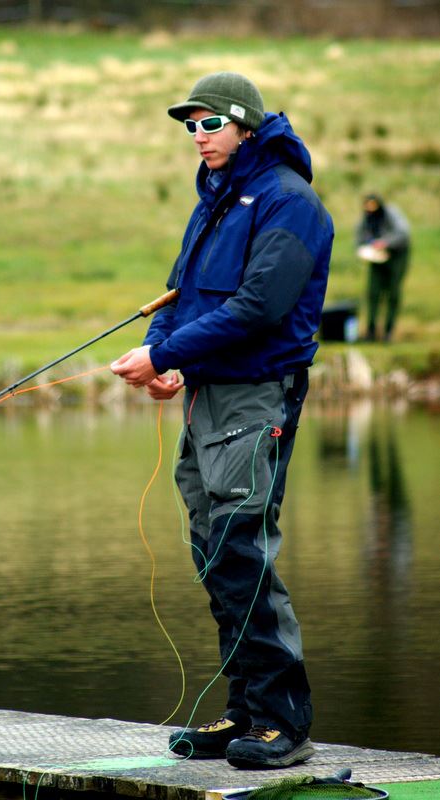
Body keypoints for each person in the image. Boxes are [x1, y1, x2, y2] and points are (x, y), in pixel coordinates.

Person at [111, 72, 333, 769]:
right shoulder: (215, 199)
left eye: (210, 124)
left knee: (242, 550)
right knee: (214, 554)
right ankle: (245, 710)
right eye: (190, 126)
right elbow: (186, 292)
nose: (198, 136)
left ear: (244, 126)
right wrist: (167, 358)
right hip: (209, 395)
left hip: (257, 395)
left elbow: (259, 308)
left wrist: (164, 352)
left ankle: (282, 723)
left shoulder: (289, 204)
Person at [356, 193, 411, 342]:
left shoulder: (391, 213)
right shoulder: (366, 218)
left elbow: (404, 234)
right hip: (376, 257)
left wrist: (385, 242)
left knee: (393, 293)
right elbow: (359, 237)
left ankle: (388, 332)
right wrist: (364, 247)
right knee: (373, 292)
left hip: (397, 256)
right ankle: (371, 331)